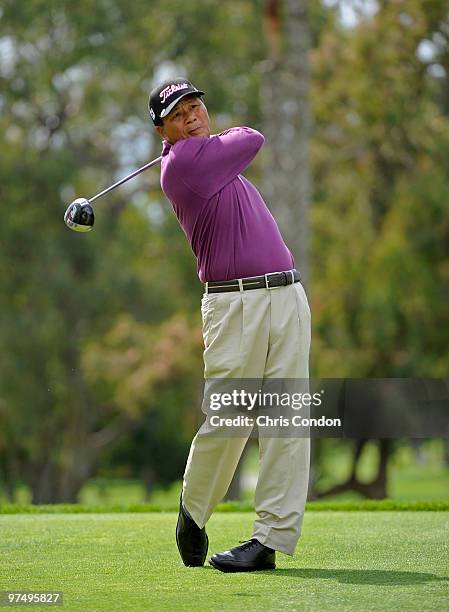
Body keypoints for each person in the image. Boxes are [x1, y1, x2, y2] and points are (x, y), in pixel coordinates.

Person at [148, 77, 311, 572]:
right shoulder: (183, 166)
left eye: (196, 106)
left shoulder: (207, 158)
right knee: (230, 419)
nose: (193, 116)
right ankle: (193, 512)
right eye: (179, 114)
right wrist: (193, 143)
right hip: (234, 305)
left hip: (286, 295)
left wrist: (194, 136)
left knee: (286, 421)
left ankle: (269, 541)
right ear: (164, 132)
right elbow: (253, 136)